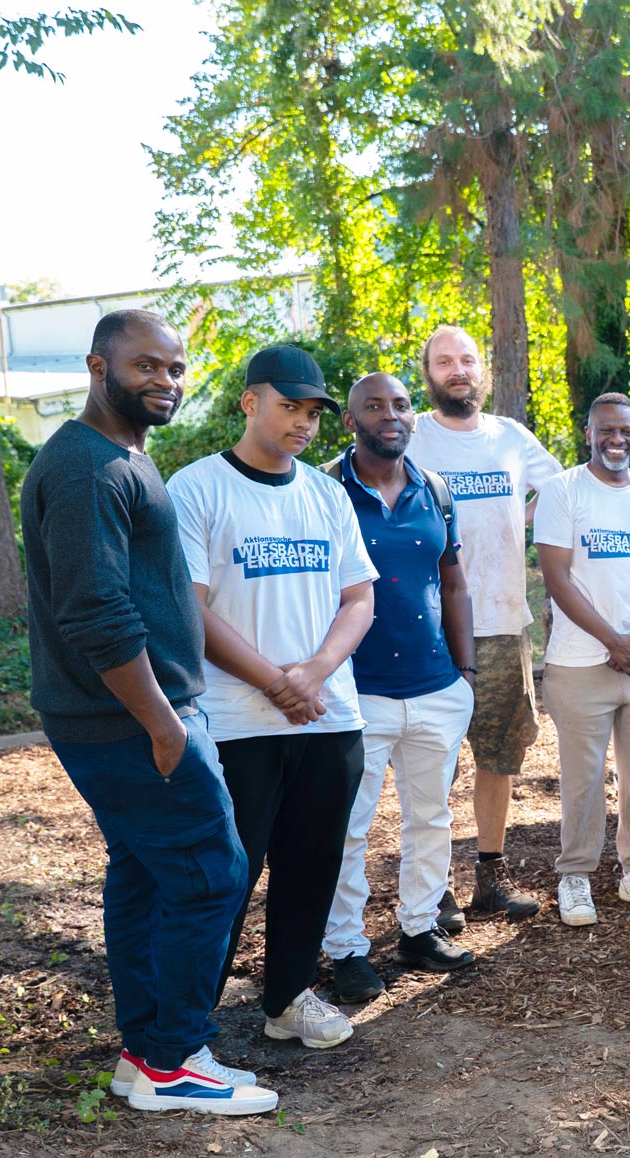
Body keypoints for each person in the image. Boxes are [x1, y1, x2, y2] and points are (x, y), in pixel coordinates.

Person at [23, 310, 274, 1115]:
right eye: (147, 367)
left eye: (174, 368)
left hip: (137, 717)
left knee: (146, 877)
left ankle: (146, 1055)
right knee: (212, 875)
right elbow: (93, 611)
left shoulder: (122, 459)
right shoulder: (85, 470)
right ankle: (173, 1060)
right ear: (100, 367)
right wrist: (166, 724)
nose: (165, 380)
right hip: (132, 721)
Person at [167, 345, 376, 1050]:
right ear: (249, 402)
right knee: (226, 874)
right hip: (235, 723)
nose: (304, 422)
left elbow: (359, 598)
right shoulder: (196, 489)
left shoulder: (326, 493)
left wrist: (313, 672)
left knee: (313, 865)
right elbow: (189, 611)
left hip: (328, 717)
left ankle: (287, 996)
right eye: (289, 406)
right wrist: (275, 681)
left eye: (314, 410)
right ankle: (187, 1023)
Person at [321, 374, 479, 1004]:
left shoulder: (434, 489)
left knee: (431, 817)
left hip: (436, 686)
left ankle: (418, 928)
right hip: (355, 693)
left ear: (415, 416)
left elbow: (454, 581)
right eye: (374, 406)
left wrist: (464, 673)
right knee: (350, 827)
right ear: (351, 420)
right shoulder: (324, 490)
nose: (390, 415)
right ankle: (346, 948)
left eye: (401, 405)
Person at [405, 324, 562, 923]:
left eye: (466, 360)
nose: (457, 370)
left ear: (483, 370)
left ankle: (489, 878)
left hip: (501, 621)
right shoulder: (411, 435)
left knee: (498, 755)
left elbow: (564, 490)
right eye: (444, 361)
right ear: (429, 373)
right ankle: (433, 888)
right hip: (429, 625)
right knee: (431, 760)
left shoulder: (510, 437)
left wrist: (514, 518)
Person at [534, 392, 630, 926]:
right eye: (607, 431)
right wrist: (611, 641)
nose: (617, 440)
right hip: (579, 663)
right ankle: (575, 876)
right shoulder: (563, 491)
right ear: (589, 434)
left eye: (627, 431)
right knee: (584, 777)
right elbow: (557, 579)